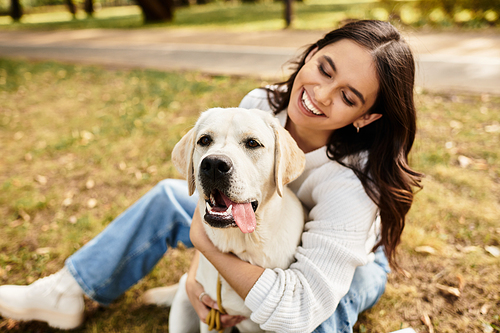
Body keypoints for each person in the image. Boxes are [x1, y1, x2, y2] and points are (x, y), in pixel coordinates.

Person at [0, 20, 422, 332]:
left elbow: (299, 307)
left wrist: (205, 244)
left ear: (366, 116)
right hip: (248, 227)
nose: (320, 95)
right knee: (168, 197)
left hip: (341, 264)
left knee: (316, 322)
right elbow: (217, 202)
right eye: (324, 69)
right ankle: (65, 291)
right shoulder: (258, 105)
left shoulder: (354, 183)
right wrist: (194, 280)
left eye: (347, 96)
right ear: (311, 54)